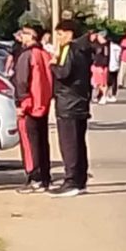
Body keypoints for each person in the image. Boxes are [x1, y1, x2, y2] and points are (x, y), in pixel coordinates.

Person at [50, 19, 93, 197]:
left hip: (69, 102)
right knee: (78, 143)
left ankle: (71, 180)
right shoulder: (84, 49)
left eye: (60, 34)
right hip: (80, 101)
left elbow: (64, 73)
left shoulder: (70, 49)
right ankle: (80, 179)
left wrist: (53, 64)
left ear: (69, 34)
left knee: (69, 144)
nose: (58, 38)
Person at [12, 25, 53, 194]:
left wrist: (22, 104)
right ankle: (44, 177)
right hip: (43, 104)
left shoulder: (27, 55)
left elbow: (21, 81)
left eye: (23, 34)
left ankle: (34, 177)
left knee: (30, 143)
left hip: (30, 106)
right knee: (42, 142)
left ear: (30, 36)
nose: (21, 37)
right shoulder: (45, 54)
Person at [91, 31, 111, 104]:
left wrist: (103, 66)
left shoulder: (105, 46)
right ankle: (97, 96)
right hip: (96, 65)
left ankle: (104, 96)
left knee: (102, 83)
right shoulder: (96, 44)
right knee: (96, 83)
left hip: (101, 66)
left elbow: (106, 57)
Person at [107, 34, 121, 103]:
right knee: (114, 80)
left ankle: (107, 94)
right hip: (116, 65)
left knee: (108, 81)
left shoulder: (109, 47)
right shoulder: (118, 47)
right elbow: (119, 57)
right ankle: (113, 95)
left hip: (109, 65)